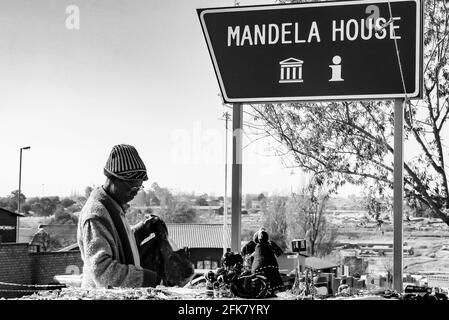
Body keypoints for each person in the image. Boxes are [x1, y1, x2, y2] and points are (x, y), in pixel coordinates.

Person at [77, 144, 164, 289]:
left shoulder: (113, 207)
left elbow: (117, 245)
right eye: (133, 187)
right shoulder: (96, 215)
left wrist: (141, 230)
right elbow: (102, 272)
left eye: (140, 187)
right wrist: (147, 278)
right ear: (114, 179)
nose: (136, 193)